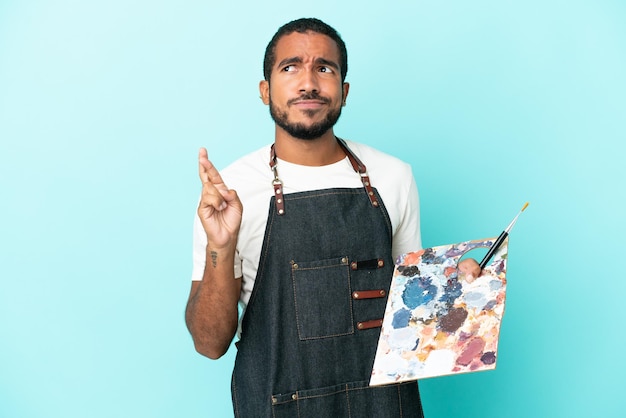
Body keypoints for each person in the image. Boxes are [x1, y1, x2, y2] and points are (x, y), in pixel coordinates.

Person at [186, 17, 471, 417]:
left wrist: (461, 292)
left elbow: (417, 322)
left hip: (386, 407)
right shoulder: (231, 192)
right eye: (290, 67)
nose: (308, 83)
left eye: (324, 68)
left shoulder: (393, 177)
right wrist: (221, 245)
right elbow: (209, 343)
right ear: (265, 90)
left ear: (344, 90)